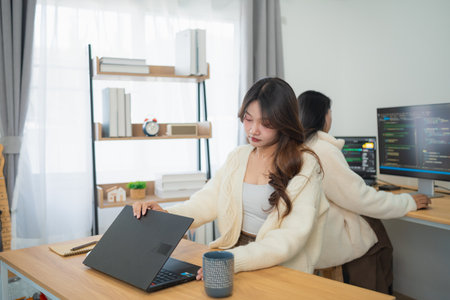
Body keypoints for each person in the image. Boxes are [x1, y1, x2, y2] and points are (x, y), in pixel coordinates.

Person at [133, 78, 329, 279]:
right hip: (233, 255)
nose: (253, 130)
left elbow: (289, 238)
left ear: (284, 123)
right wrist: (166, 214)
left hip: (280, 265)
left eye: (266, 123)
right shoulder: (239, 156)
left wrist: (233, 259)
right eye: (248, 118)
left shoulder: (305, 163)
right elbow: (206, 202)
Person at [297, 90, 431, 294]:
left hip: (311, 234)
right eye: (329, 111)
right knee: (378, 238)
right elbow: (360, 198)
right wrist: (408, 202)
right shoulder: (323, 150)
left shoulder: (299, 147)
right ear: (323, 116)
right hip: (327, 239)